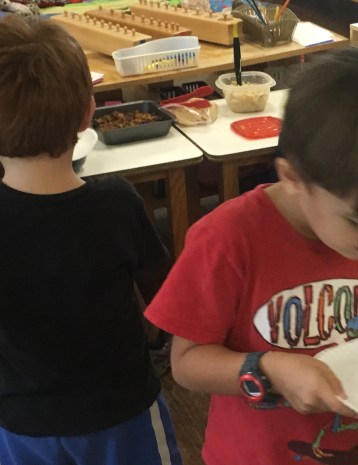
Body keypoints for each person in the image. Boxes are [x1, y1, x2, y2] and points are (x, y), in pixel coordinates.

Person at [145, 47, 358, 465]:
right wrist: (270, 370)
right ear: (293, 177)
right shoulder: (226, 239)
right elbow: (187, 364)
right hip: (261, 455)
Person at [0, 15, 181, 465]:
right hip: (120, 409)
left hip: (19, 421)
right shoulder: (117, 202)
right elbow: (162, 295)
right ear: (88, 113)